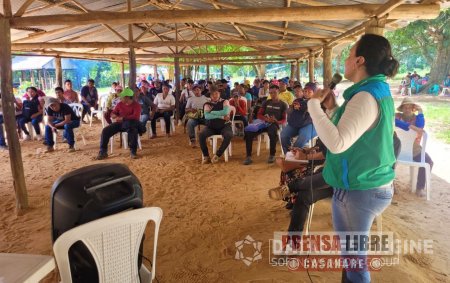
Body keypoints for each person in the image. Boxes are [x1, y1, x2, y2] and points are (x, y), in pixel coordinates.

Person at [307, 34, 399, 283]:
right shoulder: (373, 91)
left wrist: (314, 107)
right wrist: (332, 108)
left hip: (360, 189)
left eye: (348, 56)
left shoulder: (365, 97)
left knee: (355, 264)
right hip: (365, 184)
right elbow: (356, 131)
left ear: (359, 61)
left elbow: (337, 143)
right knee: (351, 260)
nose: (345, 61)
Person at [395, 97, 433, 197]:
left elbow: (420, 127)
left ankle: (419, 188)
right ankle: (390, 185)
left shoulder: (416, 119)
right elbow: (394, 122)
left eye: (409, 107)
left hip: (414, 150)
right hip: (396, 150)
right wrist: (410, 126)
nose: (407, 109)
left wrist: (420, 112)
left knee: (428, 162)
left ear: (413, 108)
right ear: (402, 108)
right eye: (405, 107)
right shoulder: (397, 116)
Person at [243, 84, 287, 165]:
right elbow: (259, 115)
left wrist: (276, 121)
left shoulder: (283, 104)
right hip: (263, 123)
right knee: (249, 132)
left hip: (274, 124)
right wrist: (266, 119)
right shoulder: (266, 102)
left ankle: (272, 155)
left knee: (272, 132)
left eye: (274, 92)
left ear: (278, 92)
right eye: (271, 93)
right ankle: (248, 156)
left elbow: (284, 120)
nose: (273, 95)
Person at [95, 87, 142, 160]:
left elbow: (135, 117)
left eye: (122, 97)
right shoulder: (120, 104)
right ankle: (103, 152)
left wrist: (123, 118)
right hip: (120, 123)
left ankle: (133, 151)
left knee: (133, 130)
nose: (120, 98)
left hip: (132, 123)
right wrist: (113, 115)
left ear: (127, 97)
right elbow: (114, 112)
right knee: (105, 130)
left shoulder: (136, 105)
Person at [199, 85, 232, 164]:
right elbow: (207, 116)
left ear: (219, 94)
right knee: (201, 135)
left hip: (224, 125)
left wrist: (212, 112)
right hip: (211, 127)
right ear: (210, 95)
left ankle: (218, 154)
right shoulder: (207, 104)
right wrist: (222, 116)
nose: (215, 96)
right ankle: (206, 156)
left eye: (216, 93)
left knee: (229, 135)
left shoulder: (225, 101)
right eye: (213, 94)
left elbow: (226, 112)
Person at [280, 83, 317, 154]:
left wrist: (308, 108)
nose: (307, 93)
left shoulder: (317, 102)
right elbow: (289, 111)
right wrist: (290, 109)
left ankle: (293, 153)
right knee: (283, 135)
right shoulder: (298, 100)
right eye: (305, 91)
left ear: (314, 93)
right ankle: (287, 153)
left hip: (309, 124)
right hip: (295, 124)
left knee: (304, 136)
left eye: (310, 92)